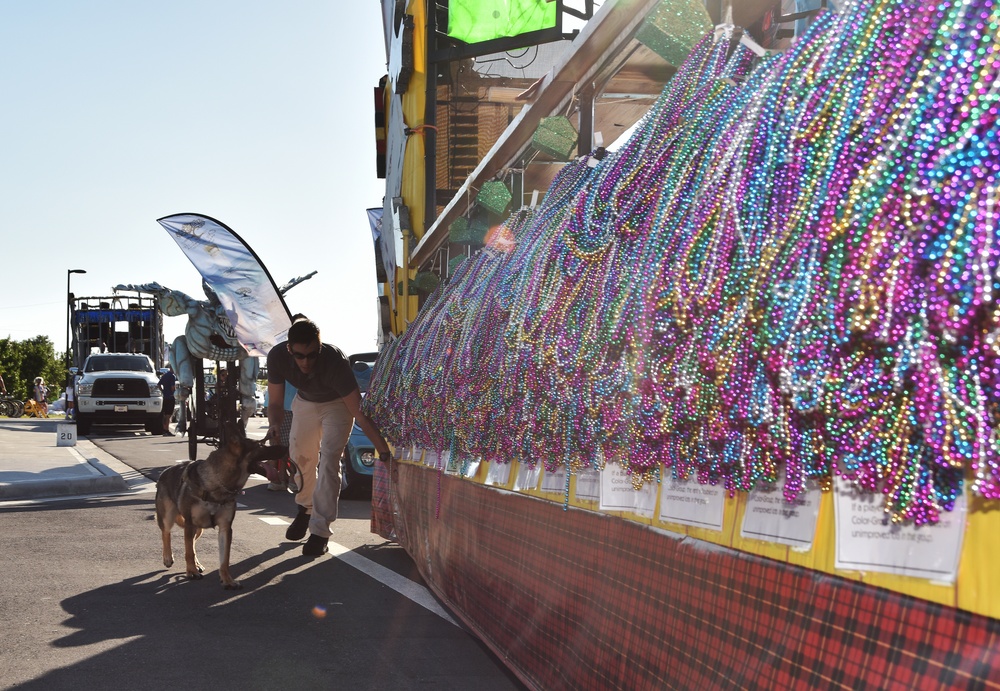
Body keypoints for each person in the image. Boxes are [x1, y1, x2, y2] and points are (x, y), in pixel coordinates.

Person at [266, 318, 390, 556]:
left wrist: (383, 452)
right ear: (289, 349)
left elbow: (361, 415)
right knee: (300, 458)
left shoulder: (335, 363)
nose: (306, 362)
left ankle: (320, 532)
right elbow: (274, 402)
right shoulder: (277, 356)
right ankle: (305, 507)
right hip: (305, 402)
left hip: (338, 405)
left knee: (329, 462)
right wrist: (273, 425)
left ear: (319, 348)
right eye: (300, 356)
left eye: (312, 355)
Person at [158, 366, 177, 436]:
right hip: (171, 397)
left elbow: (159, 384)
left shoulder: (165, 375)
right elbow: (172, 387)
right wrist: (175, 392)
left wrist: (163, 391)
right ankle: (166, 430)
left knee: (165, 414)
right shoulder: (172, 376)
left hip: (165, 397)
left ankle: (164, 429)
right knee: (169, 415)